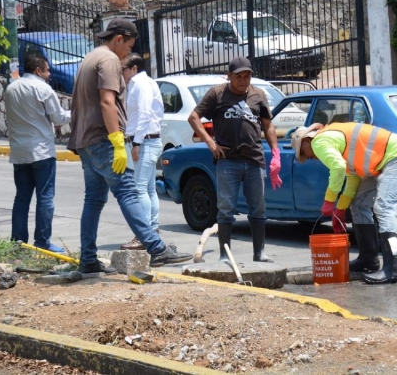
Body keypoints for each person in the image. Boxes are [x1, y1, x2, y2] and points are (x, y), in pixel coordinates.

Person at [68, 18, 191, 274]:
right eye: (129, 46)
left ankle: (88, 260)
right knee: (128, 192)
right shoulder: (109, 59)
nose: (128, 55)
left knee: (93, 200)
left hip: (85, 141)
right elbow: (106, 102)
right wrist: (117, 141)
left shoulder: (89, 58)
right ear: (119, 38)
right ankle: (157, 249)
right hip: (103, 140)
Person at [291, 122, 397, 284]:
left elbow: (338, 167)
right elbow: (352, 176)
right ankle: (368, 260)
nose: (309, 157)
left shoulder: (319, 141)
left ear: (307, 141)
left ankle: (394, 270)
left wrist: (329, 200)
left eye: (303, 152)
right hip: (383, 160)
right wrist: (340, 209)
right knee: (358, 204)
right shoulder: (336, 142)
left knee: (384, 207)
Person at [187, 56, 283, 263]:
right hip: (227, 161)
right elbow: (193, 117)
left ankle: (259, 253)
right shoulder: (217, 94)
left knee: (258, 207)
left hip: (254, 159)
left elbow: (268, 125)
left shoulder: (258, 95)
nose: (243, 80)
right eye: (238, 76)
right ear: (229, 76)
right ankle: (225, 255)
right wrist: (210, 143)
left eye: (247, 76)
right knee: (226, 208)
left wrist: (275, 153)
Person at [5, 53, 71, 253]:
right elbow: (59, 117)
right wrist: (78, 112)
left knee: (22, 197)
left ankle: (18, 242)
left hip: (19, 151)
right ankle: (42, 242)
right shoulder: (43, 88)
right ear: (38, 71)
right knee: (45, 197)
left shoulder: (11, 88)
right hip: (42, 151)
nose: (49, 74)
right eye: (47, 70)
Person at [119, 53, 164, 250]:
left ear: (134, 68)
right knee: (148, 188)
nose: (122, 73)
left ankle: (143, 234)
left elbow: (144, 114)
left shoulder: (139, 83)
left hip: (145, 141)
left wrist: (136, 142)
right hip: (148, 140)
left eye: (124, 69)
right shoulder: (144, 83)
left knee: (139, 188)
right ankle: (152, 230)